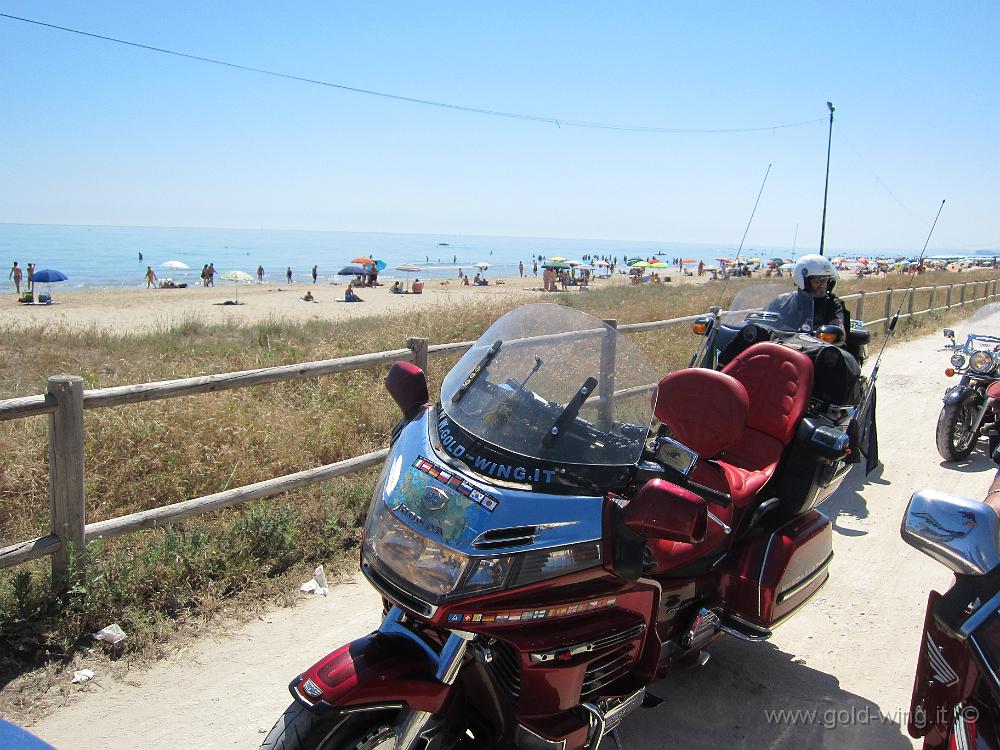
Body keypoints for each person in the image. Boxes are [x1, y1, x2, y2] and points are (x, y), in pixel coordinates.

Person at [765, 254, 845, 334]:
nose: (824, 284)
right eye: (818, 280)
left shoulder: (832, 304)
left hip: (815, 345)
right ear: (804, 280)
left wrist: (835, 329)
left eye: (826, 279)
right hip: (784, 344)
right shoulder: (783, 301)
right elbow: (763, 317)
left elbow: (837, 324)